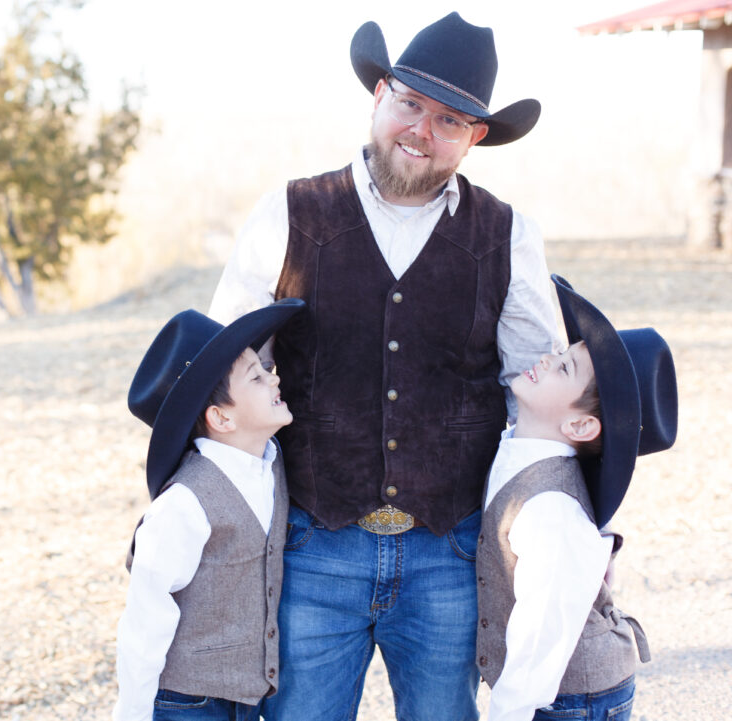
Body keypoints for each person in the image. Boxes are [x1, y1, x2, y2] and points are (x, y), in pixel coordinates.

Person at [208, 12, 559, 721]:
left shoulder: (506, 234)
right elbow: (224, 370)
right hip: (314, 542)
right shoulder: (290, 212)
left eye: (451, 120)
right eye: (411, 104)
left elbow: (540, 396)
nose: (422, 131)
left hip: (450, 552)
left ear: (476, 137)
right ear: (379, 94)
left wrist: (571, 519)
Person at [477, 274, 678, 720]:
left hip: (569, 699)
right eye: (562, 354)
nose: (547, 359)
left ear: (582, 427)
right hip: (554, 690)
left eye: (564, 368)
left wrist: (507, 712)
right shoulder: (521, 449)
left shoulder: (550, 506)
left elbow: (543, 628)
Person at [114, 298, 306, 721]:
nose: (275, 380)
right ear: (221, 418)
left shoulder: (271, 465)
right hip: (186, 701)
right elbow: (146, 616)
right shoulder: (185, 502)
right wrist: (132, 712)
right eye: (256, 377)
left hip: (244, 698)